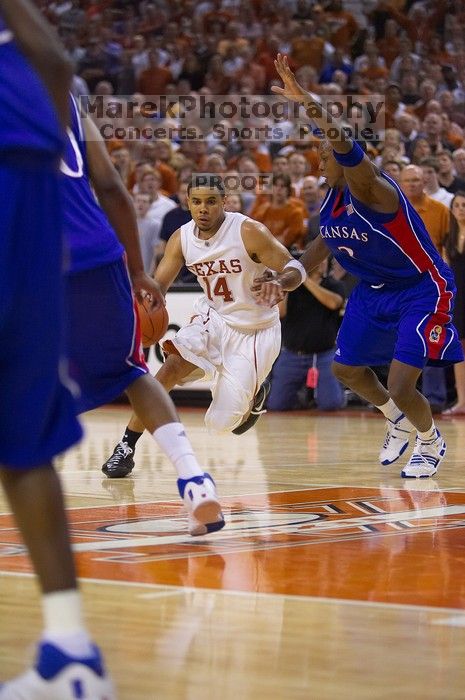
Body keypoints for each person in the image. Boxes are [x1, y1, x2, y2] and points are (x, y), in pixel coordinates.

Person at [255, 54, 464, 479]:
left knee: (404, 382)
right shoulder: (330, 206)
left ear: (348, 160)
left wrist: (307, 101)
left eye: (325, 156)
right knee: (345, 368)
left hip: (422, 286)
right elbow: (314, 253)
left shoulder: (375, 189)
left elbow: (339, 137)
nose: (319, 163)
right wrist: (284, 278)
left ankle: (430, 441)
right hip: (373, 291)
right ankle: (397, 419)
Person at [0, 2, 113, 698]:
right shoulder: (29, 48)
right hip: (33, 196)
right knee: (25, 438)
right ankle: (70, 652)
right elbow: (60, 66)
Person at [62, 95, 224, 538]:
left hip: (33, 256)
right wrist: (137, 269)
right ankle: (193, 477)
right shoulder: (68, 102)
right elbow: (113, 188)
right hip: (99, 253)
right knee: (134, 371)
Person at [102, 178, 295, 475]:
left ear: (225, 201)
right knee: (170, 369)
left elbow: (294, 267)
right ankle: (126, 446)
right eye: (197, 202)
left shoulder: (248, 232)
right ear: (187, 202)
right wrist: (141, 306)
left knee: (220, 425)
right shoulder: (182, 238)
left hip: (254, 330)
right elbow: (158, 288)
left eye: (211, 201)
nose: (203, 209)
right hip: (213, 319)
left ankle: (253, 396)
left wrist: (279, 282)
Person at [267, 259, 347, 412]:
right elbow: (280, 311)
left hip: (324, 355)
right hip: (292, 354)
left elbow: (334, 303)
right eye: (318, 260)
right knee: (276, 404)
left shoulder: (334, 285)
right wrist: (287, 282)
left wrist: (304, 279)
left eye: (324, 260)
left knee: (331, 404)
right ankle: (303, 396)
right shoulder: (292, 288)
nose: (322, 263)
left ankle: (334, 393)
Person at [443, 192, 465, 414]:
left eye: (464, 205)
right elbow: (446, 270)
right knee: (460, 349)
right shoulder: (450, 237)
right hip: (458, 298)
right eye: (457, 205)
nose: (460, 209)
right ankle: (462, 400)